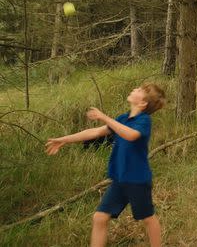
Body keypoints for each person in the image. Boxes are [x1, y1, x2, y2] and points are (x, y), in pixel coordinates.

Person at [46, 83, 166, 247]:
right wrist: (64, 140)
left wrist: (104, 117)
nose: (134, 89)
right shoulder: (123, 118)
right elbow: (94, 132)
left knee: (148, 218)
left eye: (139, 90)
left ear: (143, 103)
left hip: (137, 180)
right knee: (100, 218)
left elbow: (131, 135)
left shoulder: (144, 120)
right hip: (120, 179)